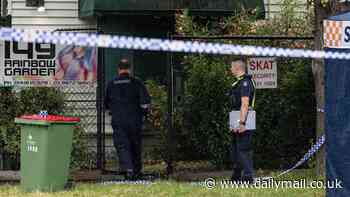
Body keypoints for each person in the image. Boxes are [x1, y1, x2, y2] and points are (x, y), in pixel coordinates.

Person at [104, 59, 151, 180]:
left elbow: (106, 104)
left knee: (122, 145)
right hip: (135, 119)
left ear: (118, 69)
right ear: (129, 69)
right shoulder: (137, 83)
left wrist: (113, 110)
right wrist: (143, 113)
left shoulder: (111, 84)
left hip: (119, 120)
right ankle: (137, 171)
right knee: (135, 144)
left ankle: (128, 170)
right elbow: (145, 102)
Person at [228, 60, 256, 184]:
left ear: (237, 68)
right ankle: (236, 176)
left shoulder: (245, 83)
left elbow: (245, 104)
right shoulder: (239, 82)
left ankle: (248, 178)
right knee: (236, 150)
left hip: (244, 117)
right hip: (237, 116)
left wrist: (242, 123)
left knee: (243, 149)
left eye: (231, 67)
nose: (230, 69)